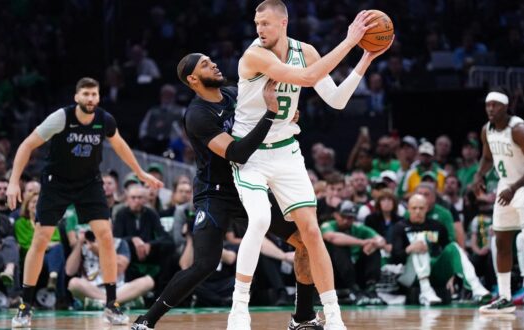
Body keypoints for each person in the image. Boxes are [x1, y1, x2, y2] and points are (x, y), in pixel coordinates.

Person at [228, 2, 392, 328]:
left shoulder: (307, 51)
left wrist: (366, 56)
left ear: (284, 22)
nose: (260, 30)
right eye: (257, 24)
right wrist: (349, 41)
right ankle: (239, 309)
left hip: (287, 151)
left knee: (312, 232)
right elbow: (307, 77)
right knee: (259, 219)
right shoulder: (255, 55)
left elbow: (336, 100)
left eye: (266, 24)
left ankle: (333, 317)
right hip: (252, 154)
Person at [131, 53, 321, 330]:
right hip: (215, 193)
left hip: (249, 185)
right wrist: (270, 114)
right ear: (193, 79)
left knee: (305, 241)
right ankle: (146, 321)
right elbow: (237, 153)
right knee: (205, 263)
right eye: (205, 64)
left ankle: (303, 317)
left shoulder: (234, 94)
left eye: (212, 60)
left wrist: (284, 115)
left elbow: (269, 111)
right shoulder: (197, 115)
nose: (214, 64)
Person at [7, 77, 163, 327]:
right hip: (56, 182)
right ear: (76, 97)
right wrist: (14, 181)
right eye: (86, 95)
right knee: (41, 238)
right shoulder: (61, 118)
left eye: (94, 95)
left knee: (105, 235)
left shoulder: (104, 119)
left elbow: (120, 145)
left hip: (88, 183)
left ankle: (111, 304)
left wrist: (141, 172)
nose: (91, 99)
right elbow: (27, 145)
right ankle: (25, 306)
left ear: (99, 97)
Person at [475, 89, 524, 315]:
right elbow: (488, 158)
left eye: (495, 105)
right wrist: (479, 175)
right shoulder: (486, 130)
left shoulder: (518, 129)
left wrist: (514, 188)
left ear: (506, 107)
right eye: (488, 105)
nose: (490, 109)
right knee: (501, 240)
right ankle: (505, 297)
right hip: (506, 186)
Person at [391, 194, 490, 306]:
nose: (417, 211)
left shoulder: (437, 226)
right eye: (414, 208)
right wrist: (410, 248)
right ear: (408, 209)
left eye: (421, 208)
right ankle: (425, 290)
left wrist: (452, 274)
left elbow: (449, 252)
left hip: (434, 271)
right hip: (410, 275)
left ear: (427, 208)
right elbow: (395, 257)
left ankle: (475, 286)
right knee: (420, 241)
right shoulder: (399, 227)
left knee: (454, 246)